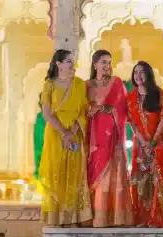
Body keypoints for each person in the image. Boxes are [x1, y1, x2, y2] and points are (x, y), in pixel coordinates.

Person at [37, 49, 92, 227]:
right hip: (55, 135)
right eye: (68, 61)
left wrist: (72, 132)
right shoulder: (49, 85)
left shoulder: (79, 84)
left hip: (74, 134)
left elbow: (83, 111)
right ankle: (55, 219)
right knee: (56, 173)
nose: (71, 64)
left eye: (72, 61)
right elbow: (47, 113)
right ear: (58, 64)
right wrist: (63, 133)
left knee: (74, 175)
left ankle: (72, 219)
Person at [85, 49, 133, 227]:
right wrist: (93, 110)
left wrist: (106, 109)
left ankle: (115, 217)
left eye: (109, 62)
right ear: (95, 63)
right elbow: (82, 111)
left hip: (112, 138)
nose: (107, 66)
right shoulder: (86, 86)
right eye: (103, 62)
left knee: (113, 176)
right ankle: (97, 217)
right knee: (94, 177)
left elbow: (122, 110)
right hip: (94, 140)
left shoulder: (116, 83)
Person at [126, 61, 163, 227]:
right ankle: (142, 219)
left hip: (159, 144)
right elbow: (131, 122)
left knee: (158, 181)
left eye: (142, 72)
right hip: (140, 145)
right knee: (142, 182)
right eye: (135, 72)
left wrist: (153, 141)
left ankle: (158, 219)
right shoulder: (130, 97)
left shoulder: (158, 93)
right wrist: (143, 141)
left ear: (149, 74)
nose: (138, 75)